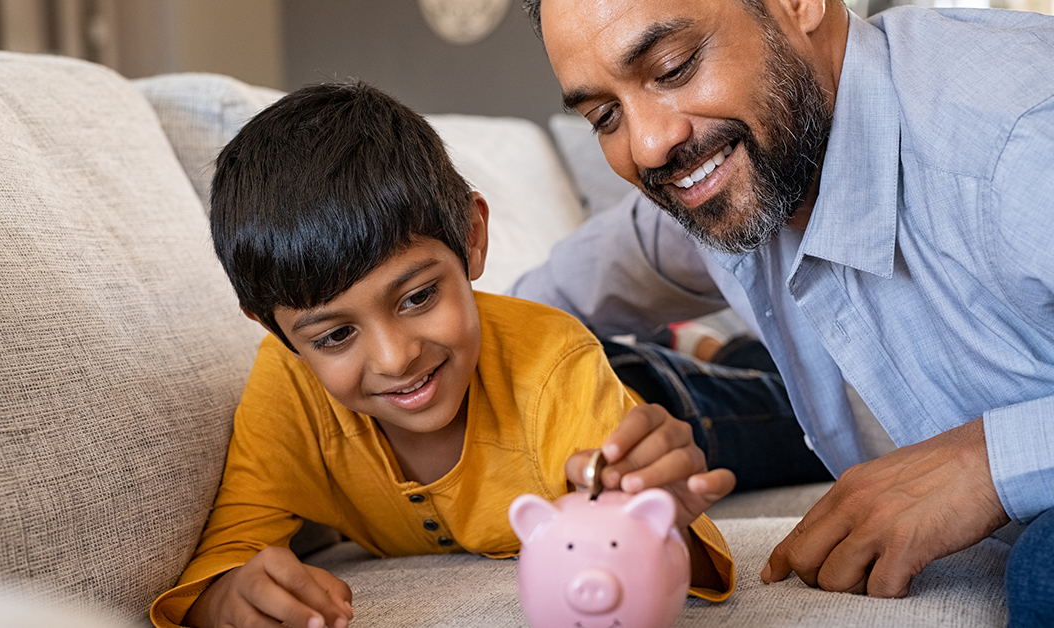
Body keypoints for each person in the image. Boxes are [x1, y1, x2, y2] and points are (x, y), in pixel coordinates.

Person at [514, 0, 1054, 623]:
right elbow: (517, 317)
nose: (650, 145)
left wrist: (985, 460)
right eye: (604, 116)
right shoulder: (719, 184)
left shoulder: (1019, 138)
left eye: (674, 67)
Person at [148, 80, 739, 628]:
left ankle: (708, 349)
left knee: (761, 403)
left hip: (651, 394)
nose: (395, 357)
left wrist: (659, 510)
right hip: (574, 364)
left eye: (418, 296)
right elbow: (227, 556)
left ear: (472, 236)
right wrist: (227, 599)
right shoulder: (289, 392)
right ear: (279, 335)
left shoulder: (554, 366)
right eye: (334, 336)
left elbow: (663, 529)